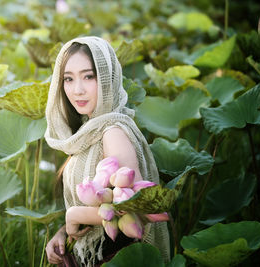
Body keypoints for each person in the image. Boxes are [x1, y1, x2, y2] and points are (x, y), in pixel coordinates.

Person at [44, 36, 170, 266]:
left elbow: (136, 209)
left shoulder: (112, 132)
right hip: (93, 252)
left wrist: (74, 215)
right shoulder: (89, 132)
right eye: (68, 79)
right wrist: (64, 231)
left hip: (115, 258)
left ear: (107, 78)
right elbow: (97, 207)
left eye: (88, 76)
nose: (77, 90)